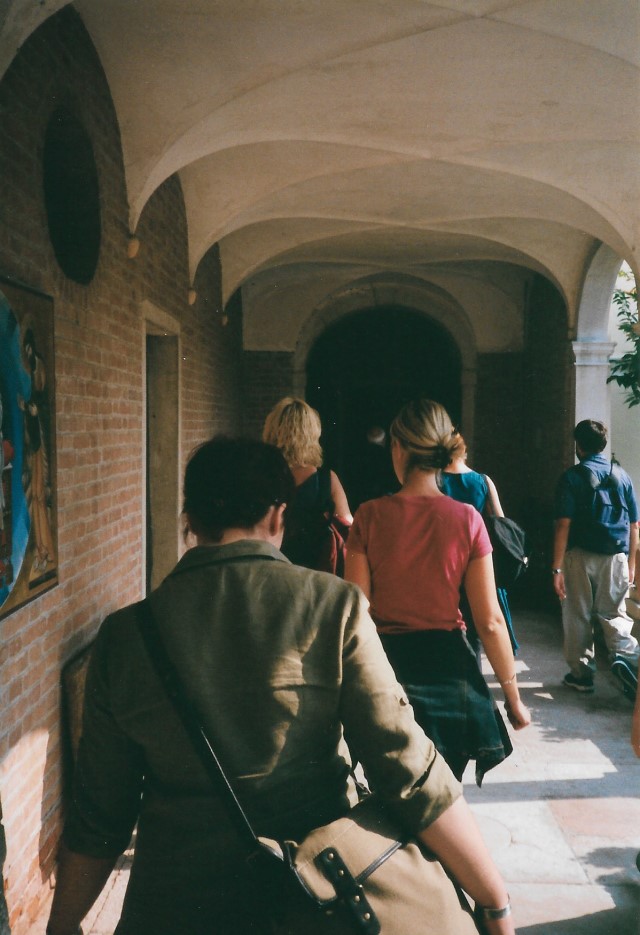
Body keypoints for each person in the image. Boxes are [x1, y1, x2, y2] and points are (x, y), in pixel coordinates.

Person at [46, 436, 517, 935]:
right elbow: (406, 768)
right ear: (277, 516)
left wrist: (63, 924)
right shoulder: (332, 606)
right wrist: (493, 900)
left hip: (176, 906)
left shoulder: (127, 634)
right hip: (313, 901)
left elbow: (100, 816)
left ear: (191, 520)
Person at [345, 399, 530, 785]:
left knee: (391, 791)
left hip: (387, 669)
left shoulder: (369, 516)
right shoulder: (468, 519)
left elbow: (358, 610)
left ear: (398, 448)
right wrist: (512, 698)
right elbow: (490, 621)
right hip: (449, 669)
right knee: (443, 792)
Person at [552, 419, 639, 694]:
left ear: (578, 445)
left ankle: (581, 676)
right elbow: (635, 524)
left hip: (579, 556)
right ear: (603, 445)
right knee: (614, 615)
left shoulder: (571, 477)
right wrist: (631, 563)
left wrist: (556, 568)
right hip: (616, 556)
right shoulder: (622, 476)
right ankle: (630, 661)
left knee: (578, 615)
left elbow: (563, 523)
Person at [439, 433, 519, 655]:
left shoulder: (435, 481)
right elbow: (501, 523)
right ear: (464, 452)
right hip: (477, 560)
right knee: (475, 628)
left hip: (443, 563)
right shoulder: (483, 481)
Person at [262, 396, 352, 570]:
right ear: (312, 434)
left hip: (268, 570)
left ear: (271, 431)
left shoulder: (258, 475)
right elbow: (347, 528)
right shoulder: (326, 479)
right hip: (315, 574)